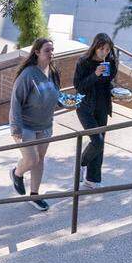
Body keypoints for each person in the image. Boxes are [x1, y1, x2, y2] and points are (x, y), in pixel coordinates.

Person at [8, 37, 61, 211]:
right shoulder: (28, 74)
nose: (51, 53)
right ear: (37, 52)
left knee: (40, 160)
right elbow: (16, 101)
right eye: (47, 50)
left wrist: (65, 102)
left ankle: (35, 195)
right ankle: (17, 173)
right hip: (26, 126)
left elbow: (55, 95)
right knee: (31, 159)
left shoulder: (53, 71)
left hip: (45, 125)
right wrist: (16, 128)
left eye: (52, 50)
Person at [74, 33, 118, 188]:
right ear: (95, 46)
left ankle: (92, 179)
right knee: (97, 141)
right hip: (85, 107)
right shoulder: (83, 62)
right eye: (102, 48)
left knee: (101, 143)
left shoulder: (110, 62)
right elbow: (79, 86)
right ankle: (81, 163)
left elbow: (107, 83)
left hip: (102, 106)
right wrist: (95, 74)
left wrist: (114, 91)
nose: (104, 52)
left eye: (107, 49)